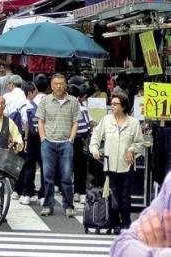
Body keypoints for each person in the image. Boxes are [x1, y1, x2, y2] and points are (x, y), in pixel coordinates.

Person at [89, 92, 145, 233]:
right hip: (110, 164)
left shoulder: (133, 123)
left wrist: (131, 149)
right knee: (113, 195)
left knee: (125, 196)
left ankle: (126, 223)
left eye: (115, 104)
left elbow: (140, 142)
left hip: (127, 166)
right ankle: (113, 222)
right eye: (111, 103)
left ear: (123, 106)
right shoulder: (107, 120)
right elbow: (95, 136)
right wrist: (94, 149)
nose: (112, 106)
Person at [36, 74, 80, 217]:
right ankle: (48, 205)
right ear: (51, 85)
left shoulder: (73, 101)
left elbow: (76, 122)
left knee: (66, 176)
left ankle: (69, 205)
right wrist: (43, 138)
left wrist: (71, 139)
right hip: (48, 143)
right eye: (56, 83)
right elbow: (40, 121)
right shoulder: (45, 100)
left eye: (61, 83)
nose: (59, 86)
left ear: (65, 85)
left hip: (66, 143)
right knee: (48, 176)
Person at [109, 171, 171, 255]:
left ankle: (125, 221)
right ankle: (118, 223)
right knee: (116, 193)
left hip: (124, 166)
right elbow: (121, 244)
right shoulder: (169, 184)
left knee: (125, 194)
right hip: (115, 166)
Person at [18, 82, 45, 206]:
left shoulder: (26, 105)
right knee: (45, 167)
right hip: (45, 137)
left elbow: (26, 125)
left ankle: (27, 194)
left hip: (32, 138)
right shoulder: (47, 101)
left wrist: (26, 140)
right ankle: (43, 196)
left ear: (29, 92)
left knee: (29, 166)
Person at [70, 84, 91, 204]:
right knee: (80, 168)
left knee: (71, 167)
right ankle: (80, 192)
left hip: (69, 141)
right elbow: (87, 127)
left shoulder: (67, 108)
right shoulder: (82, 109)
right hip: (80, 141)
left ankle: (76, 192)